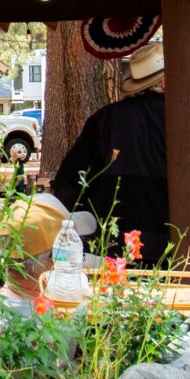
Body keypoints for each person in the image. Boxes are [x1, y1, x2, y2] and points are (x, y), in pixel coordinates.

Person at [52, 46, 167, 258]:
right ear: (164, 82)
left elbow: (68, 180)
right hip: (172, 246)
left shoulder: (104, 119)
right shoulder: (184, 122)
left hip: (110, 246)